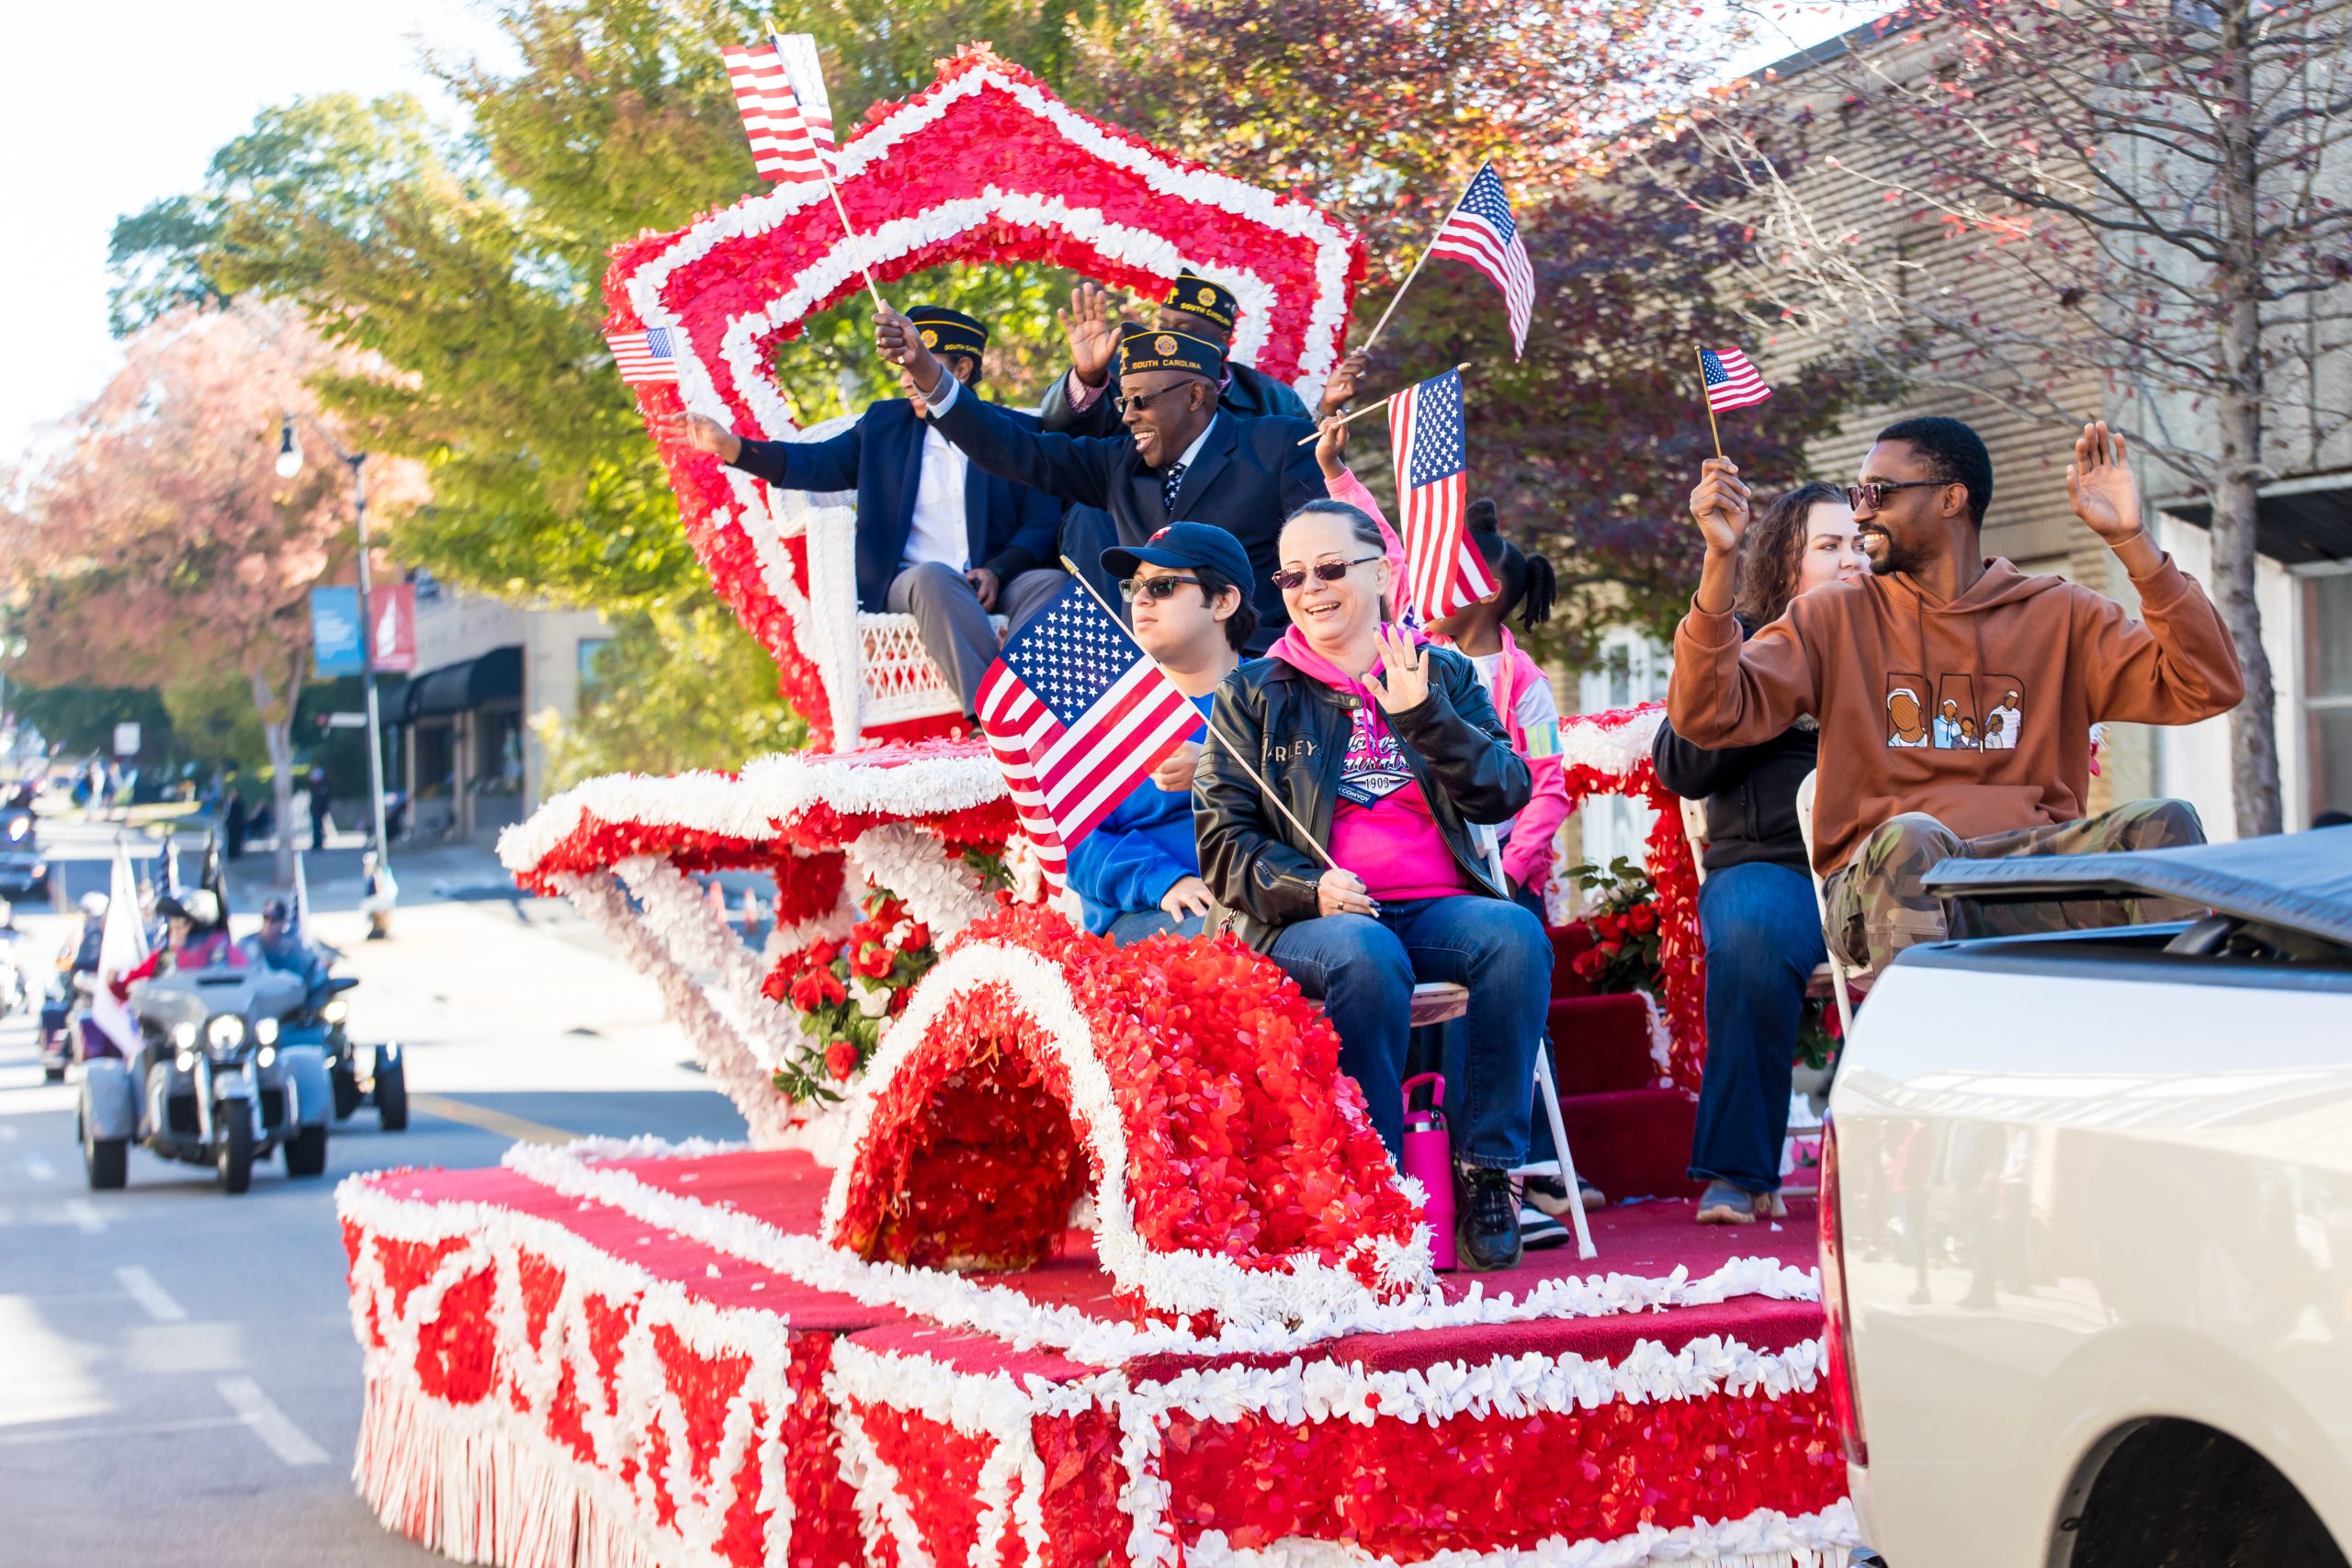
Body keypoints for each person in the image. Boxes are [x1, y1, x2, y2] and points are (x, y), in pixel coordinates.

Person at [1669, 418, 2244, 976]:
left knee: (2164, 822)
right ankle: (1926, 1055)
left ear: (1951, 500)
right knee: (1912, 837)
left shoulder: (2059, 614)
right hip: (1879, 888)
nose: (1862, 508)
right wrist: (1720, 561)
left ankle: (2178, 1038)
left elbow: (2206, 683)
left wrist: (2131, 543)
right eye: (1858, 492)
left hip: (2028, 877)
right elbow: (1709, 715)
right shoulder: (1835, 615)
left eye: (1880, 492)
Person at [1194, 499, 1547, 1270]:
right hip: (1315, 920)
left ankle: (1488, 1171)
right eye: (1293, 574)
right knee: (1364, 953)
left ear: (1382, 573)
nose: (1310, 587)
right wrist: (1310, 888)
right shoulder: (1254, 693)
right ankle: (1378, 1183)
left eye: (1330, 568)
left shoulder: (1442, 669)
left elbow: (1504, 791)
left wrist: (1424, 718)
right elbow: (1223, 844)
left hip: (1433, 909)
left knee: (1516, 933)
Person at [659, 306, 1067, 716]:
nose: (908, 379)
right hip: (914, 586)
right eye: (903, 368)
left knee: (1050, 584)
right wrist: (731, 447)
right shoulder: (882, 427)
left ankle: (1039, 713)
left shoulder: (1017, 432)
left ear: (961, 370)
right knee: (935, 577)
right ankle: (996, 721)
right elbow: (811, 464)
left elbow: (1042, 522)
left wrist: (997, 570)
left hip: (999, 578)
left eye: (920, 365)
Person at [1653, 479, 1869, 1225]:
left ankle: (1886, 1159)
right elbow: (1681, 766)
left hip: (1878, 867)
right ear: (1787, 561)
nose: (1850, 560)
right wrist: (1764, 697)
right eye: (1829, 545)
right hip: (1770, 866)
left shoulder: (1903, 637)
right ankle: (1739, 1173)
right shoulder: (1741, 641)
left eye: (1859, 543)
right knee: (1749, 934)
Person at [875, 309, 1342, 651]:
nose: (1130, 415)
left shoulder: (1277, 445)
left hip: (1259, 667)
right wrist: (926, 371)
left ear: (1197, 395)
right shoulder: (1120, 462)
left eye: (1143, 401)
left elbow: (1322, 558)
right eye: (1124, 402)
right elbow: (1012, 448)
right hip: (1155, 676)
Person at [1067, 524, 1255, 942]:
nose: (1142, 599)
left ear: (1223, 601)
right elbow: (1075, 840)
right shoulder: (1107, 713)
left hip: (1264, 896)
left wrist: (1213, 766)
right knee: (1220, 947)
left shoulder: (1276, 698)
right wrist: (1163, 880)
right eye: (1134, 587)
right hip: (1153, 911)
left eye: (1164, 585)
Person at [1425, 501, 1570, 919]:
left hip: (1502, 862)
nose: (1428, 589)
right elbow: (1393, 557)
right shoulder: (1419, 654)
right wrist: (1337, 474)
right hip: (1437, 852)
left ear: (1486, 589)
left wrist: (1512, 870)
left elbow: (1548, 788)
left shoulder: (1529, 686)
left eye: (1445, 579)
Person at [1039, 273, 1366, 434]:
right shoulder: (1121, 375)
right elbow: (1057, 430)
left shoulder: (1269, 397)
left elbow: (1305, 469)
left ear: (1222, 338)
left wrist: (1327, 409)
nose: (1169, 337)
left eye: (1185, 329)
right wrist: (1088, 376)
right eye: (1163, 325)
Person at [243, 897, 330, 987]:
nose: (269, 924)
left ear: (284, 922)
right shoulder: (247, 944)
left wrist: (323, 967)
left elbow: (312, 967)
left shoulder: (294, 946)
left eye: (274, 920)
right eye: (266, 918)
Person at [306, 767, 333, 851]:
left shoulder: (323, 786)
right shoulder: (315, 786)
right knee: (316, 828)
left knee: (319, 827)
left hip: (320, 810)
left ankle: (319, 844)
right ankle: (316, 844)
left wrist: (325, 810)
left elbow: (324, 800)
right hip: (315, 810)